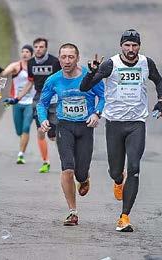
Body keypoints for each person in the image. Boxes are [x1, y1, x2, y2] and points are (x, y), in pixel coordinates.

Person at [80, 29, 162, 232]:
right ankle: (119, 180)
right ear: (121, 46)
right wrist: (92, 72)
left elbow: (159, 81)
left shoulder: (146, 63)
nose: (131, 49)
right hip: (115, 123)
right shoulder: (111, 64)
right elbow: (85, 87)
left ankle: (124, 217)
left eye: (134, 45)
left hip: (137, 123)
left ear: (139, 46)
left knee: (135, 169)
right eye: (127, 45)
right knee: (116, 171)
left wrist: (161, 101)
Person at [37, 43, 105, 226]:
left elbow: (103, 97)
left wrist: (96, 113)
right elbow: (41, 103)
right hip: (64, 126)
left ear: (77, 58)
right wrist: (43, 119)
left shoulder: (88, 77)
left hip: (85, 127)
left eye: (70, 57)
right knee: (67, 168)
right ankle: (72, 212)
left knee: (80, 172)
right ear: (59, 59)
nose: (67, 61)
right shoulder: (53, 80)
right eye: (63, 57)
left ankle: (84, 178)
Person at [13, 37, 61, 173]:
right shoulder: (31, 63)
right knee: (40, 131)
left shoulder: (55, 62)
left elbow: (61, 79)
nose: (38, 49)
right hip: (39, 98)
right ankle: (46, 162)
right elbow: (30, 82)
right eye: (36, 47)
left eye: (41, 47)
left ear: (46, 48)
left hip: (54, 98)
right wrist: (18, 97)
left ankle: (67, 160)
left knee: (54, 135)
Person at [0, 44, 35, 164]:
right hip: (16, 101)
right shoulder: (16, 66)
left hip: (30, 101)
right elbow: (4, 73)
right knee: (19, 130)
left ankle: (21, 154)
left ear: (31, 54)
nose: (25, 54)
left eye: (27, 52)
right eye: (23, 52)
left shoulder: (34, 67)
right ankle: (22, 142)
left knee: (26, 127)